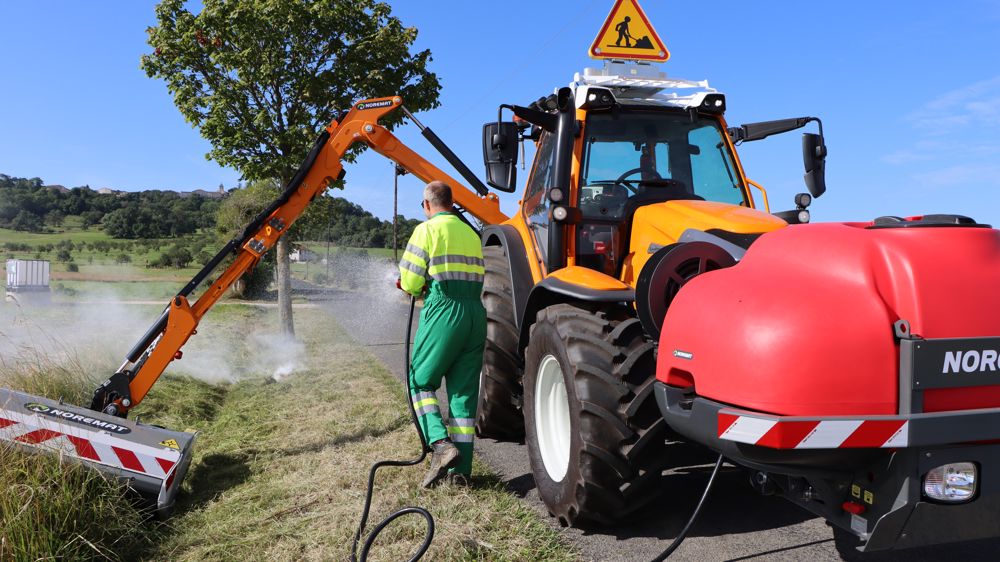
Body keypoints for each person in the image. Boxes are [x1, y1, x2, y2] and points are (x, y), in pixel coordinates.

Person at [398, 181, 486, 487]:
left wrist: (413, 285)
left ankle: (439, 443)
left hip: (444, 310)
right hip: (476, 312)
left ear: (427, 205)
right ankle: (460, 475)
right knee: (463, 395)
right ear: (452, 203)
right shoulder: (471, 234)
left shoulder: (427, 230)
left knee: (419, 382)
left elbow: (409, 282)